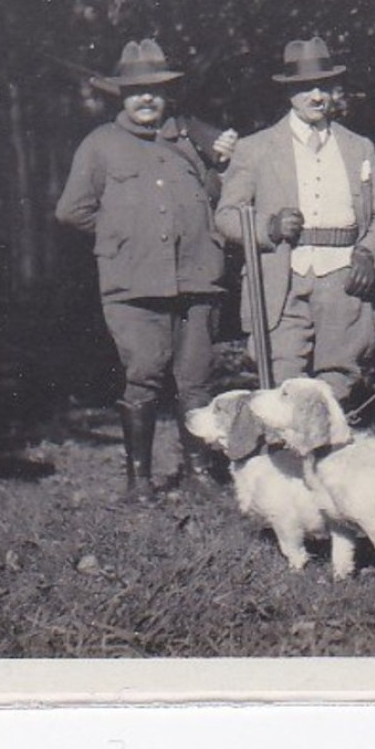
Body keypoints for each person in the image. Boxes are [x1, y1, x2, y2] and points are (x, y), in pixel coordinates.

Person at [55, 38, 238, 498]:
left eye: (155, 89)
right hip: (134, 285)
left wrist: (223, 156)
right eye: (137, 91)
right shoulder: (100, 145)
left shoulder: (190, 140)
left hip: (197, 278)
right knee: (144, 375)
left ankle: (198, 475)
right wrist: (123, 234)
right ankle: (140, 480)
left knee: (196, 379)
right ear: (122, 95)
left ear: (166, 94)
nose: (146, 98)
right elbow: (72, 210)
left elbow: (219, 195)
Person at [216, 37, 375, 403]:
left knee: (339, 385)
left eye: (323, 87)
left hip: (342, 280)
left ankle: (333, 458)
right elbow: (226, 216)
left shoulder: (359, 147)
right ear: (289, 93)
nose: (316, 96)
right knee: (282, 388)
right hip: (281, 281)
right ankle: (285, 459)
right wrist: (269, 227)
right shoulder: (255, 148)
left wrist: (369, 253)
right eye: (305, 88)